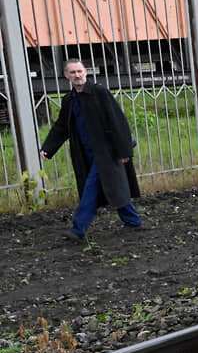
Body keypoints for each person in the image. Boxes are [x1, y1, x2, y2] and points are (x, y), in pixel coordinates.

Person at [41, 59, 142, 240]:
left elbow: (117, 120)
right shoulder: (69, 100)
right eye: (73, 72)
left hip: (107, 153)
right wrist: (48, 148)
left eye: (79, 71)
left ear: (86, 72)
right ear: (66, 76)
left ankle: (78, 229)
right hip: (85, 154)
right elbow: (62, 126)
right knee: (112, 187)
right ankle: (133, 221)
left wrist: (125, 150)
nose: (77, 75)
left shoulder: (99, 93)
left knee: (91, 187)